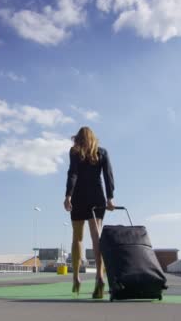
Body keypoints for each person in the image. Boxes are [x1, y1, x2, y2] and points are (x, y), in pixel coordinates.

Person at [64, 126, 115, 299]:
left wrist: (68, 196)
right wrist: (110, 198)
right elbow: (108, 176)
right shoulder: (102, 152)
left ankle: (76, 277)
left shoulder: (74, 152)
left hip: (79, 196)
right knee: (96, 237)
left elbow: (73, 173)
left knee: (77, 237)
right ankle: (100, 276)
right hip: (97, 197)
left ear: (78, 138)